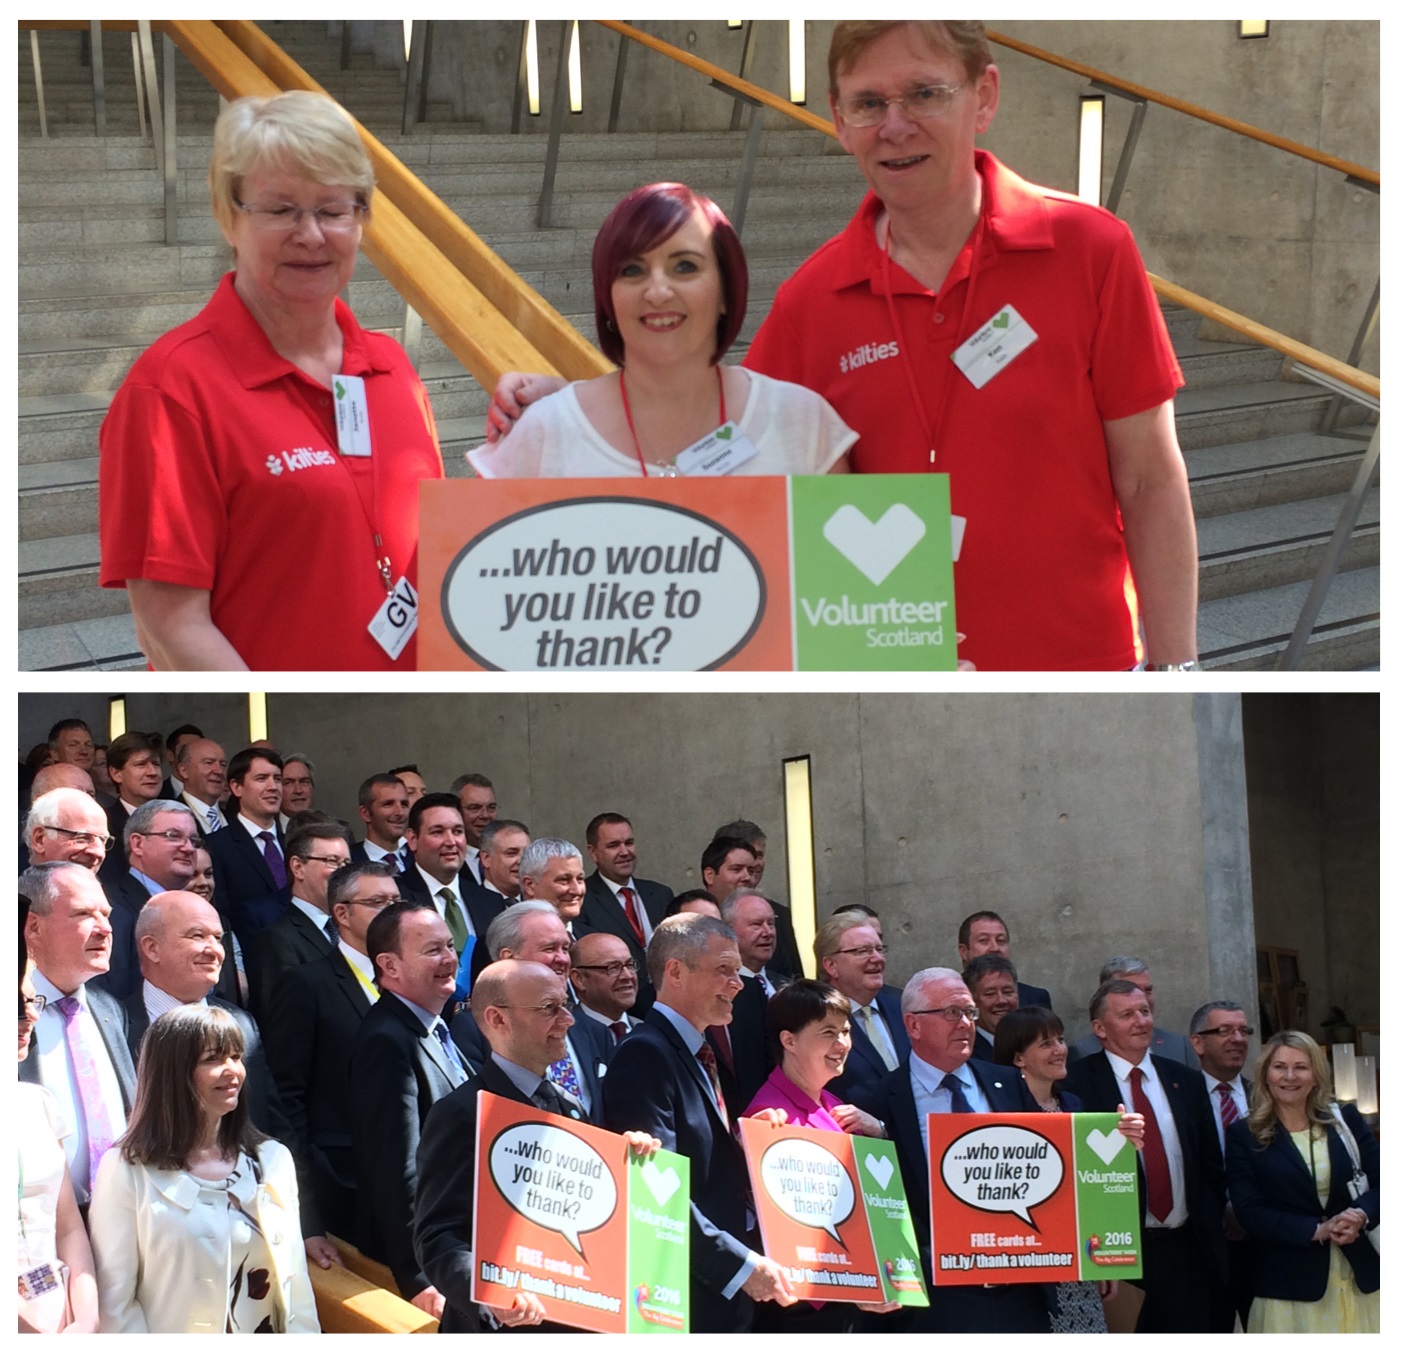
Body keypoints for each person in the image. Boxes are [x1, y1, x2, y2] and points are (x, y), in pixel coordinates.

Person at [98, 89, 444, 671]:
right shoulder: (171, 391)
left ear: (361, 220)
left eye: (334, 210)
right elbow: (169, 628)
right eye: (281, 210)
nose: (311, 235)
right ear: (227, 216)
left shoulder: (392, 367)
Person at [470, 181, 855, 480]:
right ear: (608, 297)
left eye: (685, 266)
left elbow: (843, 578)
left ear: (726, 292)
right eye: (632, 270)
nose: (657, 292)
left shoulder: (803, 425)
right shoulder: (542, 433)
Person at [415, 959, 662, 1332]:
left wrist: (629, 1164)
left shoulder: (571, 1106)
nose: (568, 1020)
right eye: (550, 1008)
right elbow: (437, 1237)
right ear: (498, 1019)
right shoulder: (462, 1113)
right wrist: (490, 1293)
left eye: (566, 1005)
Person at [603, 913, 797, 1331]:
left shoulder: (701, 1052)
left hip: (723, 1289)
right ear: (675, 971)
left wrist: (743, 1144)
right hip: (688, 1294)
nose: (739, 982)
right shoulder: (646, 1054)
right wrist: (739, 1264)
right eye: (724, 969)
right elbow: (654, 1187)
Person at [88, 1004, 319, 1332]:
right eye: (214, 1059)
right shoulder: (124, 1169)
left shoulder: (274, 1159)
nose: (233, 1070)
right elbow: (116, 1305)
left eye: (236, 1057)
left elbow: (297, 1288)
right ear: (173, 1073)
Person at [848, 966, 1050, 1331]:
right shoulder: (878, 1104)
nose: (965, 1023)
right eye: (951, 1012)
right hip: (937, 1301)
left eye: (970, 1012)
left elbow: (1048, 1161)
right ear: (913, 1026)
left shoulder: (1007, 1083)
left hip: (1019, 1290)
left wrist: (1119, 1138)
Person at [1064, 979, 1228, 1332]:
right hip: (1120, 1254)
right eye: (1127, 1014)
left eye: (1145, 1011)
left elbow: (1210, 1167)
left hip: (1189, 1249)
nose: (1141, 1021)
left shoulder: (1185, 1080)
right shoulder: (1074, 1083)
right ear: (1099, 1029)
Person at [741, 979, 894, 1331]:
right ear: (789, 1040)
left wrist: (880, 1134)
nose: (842, 1043)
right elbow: (794, 1242)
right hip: (803, 1316)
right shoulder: (771, 1118)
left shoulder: (835, 1106)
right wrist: (858, 1287)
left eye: (845, 1031)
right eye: (828, 1033)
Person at [349, 902, 471, 1316]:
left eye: (451, 946)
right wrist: (418, 1274)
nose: (450, 958)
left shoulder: (436, 1028)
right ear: (390, 966)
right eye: (432, 950)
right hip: (431, 1262)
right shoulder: (387, 1040)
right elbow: (396, 1166)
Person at [266, 862, 398, 1243]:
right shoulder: (306, 985)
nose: (391, 913)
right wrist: (306, 1212)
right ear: (342, 912)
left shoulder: (408, 981)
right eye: (377, 902)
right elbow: (285, 1100)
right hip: (342, 1189)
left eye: (396, 901)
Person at [993, 1005, 1144, 1333]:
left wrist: (1106, 1263)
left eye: (1060, 1039)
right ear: (1018, 1058)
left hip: (1080, 1269)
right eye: (1046, 1044)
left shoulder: (1075, 1105)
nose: (1060, 1049)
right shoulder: (1002, 1116)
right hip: (1030, 1272)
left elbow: (1095, 1187)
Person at [1225, 1031, 1378, 1334]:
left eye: (1301, 1067)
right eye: (1280, 1067)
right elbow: (1249, 1210)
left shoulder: (1346, 1119)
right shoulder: (1244, 1134)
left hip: (1361, 1278)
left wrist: (1360, 1214)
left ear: (1316, 1075)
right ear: (1266, 1074)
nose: (1290, 1076)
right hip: (1289, 1286)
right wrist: (1316, 1230)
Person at [19, 862, 137, 1207]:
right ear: (33, 926)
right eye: (84, 914)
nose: (105, 929)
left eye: (107, 914)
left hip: (123, 1219)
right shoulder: (14, 1016)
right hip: (38, 1231)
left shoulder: (110, 1011)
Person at [18, 898, 100, 1334]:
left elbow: (68, 1228)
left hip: (63, 1307)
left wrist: (85, 1318)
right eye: (14, 1004)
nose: (29, 1016)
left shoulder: (37, 1104)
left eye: (32, 1002)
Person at [577, 811, 673, 1011]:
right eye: (613, 845)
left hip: (665, 1006)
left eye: (629, 843)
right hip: (615, 1011)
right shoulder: (581, 900)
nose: (624, 851)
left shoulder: (661, 894)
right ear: (593, 852)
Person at [815, 911, 908, 1102]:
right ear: (831, 965)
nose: (876, 959)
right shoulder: (814, 1019)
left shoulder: (902, 1007)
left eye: (879, 949)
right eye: (862, 951)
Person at [1067, 955, 1197, 1067]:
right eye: (1129, 990)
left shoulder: (1180, 1046)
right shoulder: (1083, 1052)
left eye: (1148, 990)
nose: (1142, 998)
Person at [956, 909, 1051, 1009]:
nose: (995, 948)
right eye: (984, 941)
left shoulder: (1034, 999)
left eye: (1000, 940)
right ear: (964, 951)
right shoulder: (948, 995)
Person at [963, 951, 1019, 1060]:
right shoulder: (966, 1054)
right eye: (990, 994)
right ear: (972, 1001)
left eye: (1008, 992)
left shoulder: (1035, 1044)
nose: (1001, 1001)